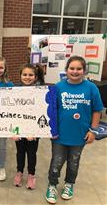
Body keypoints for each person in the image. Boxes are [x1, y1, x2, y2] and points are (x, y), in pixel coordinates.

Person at [45, 56, 103, 204]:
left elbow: (97, 110)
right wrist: (50, 129)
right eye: (72, 68)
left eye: (79, 69)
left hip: (80, 136)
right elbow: (50, 110)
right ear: (66, 70)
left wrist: (93, 130)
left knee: (73, 162)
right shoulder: (58, 87)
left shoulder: (91, 88)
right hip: (59, 135)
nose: (75, 71)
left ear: (84, 71)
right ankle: (52, 185)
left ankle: (69, 184)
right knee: (56, 161)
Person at [13, 64, 44, 190]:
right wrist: (15, 131)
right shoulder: (15, 91)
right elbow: (12, 114)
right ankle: (19, 172)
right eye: (24, 74)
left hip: (33, 131)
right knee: (20, 152)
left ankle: (31, 175)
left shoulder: (40, 92)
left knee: (32, 154)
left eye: (30, 75)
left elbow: (42, 113)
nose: (27, 77)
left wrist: (35, 133)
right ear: (20, 76)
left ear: (35, 77)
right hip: (19, 129)